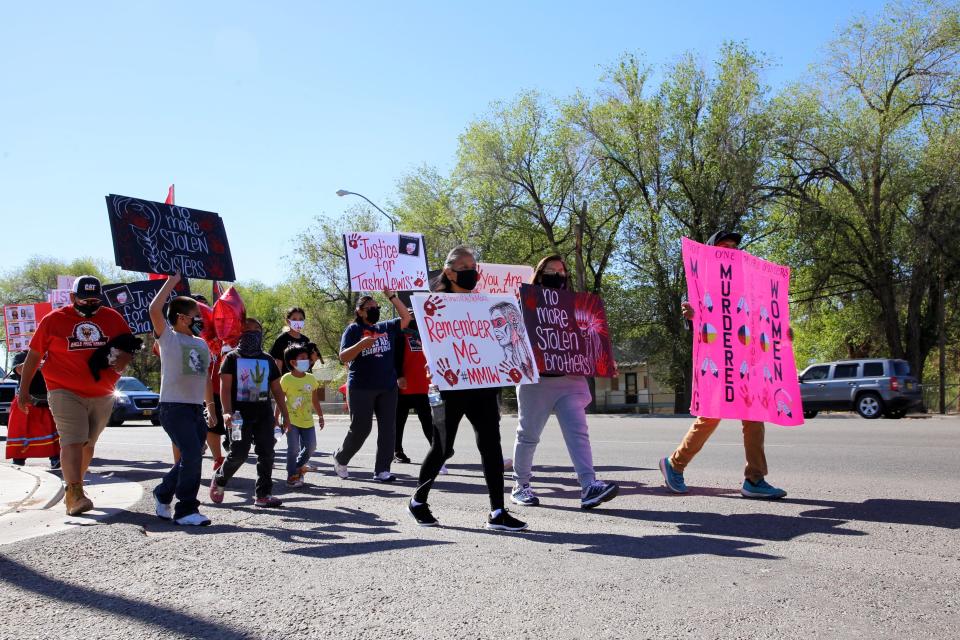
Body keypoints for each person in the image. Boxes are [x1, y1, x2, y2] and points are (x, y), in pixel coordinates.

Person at [660, 230, 787, 499]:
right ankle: (675, 464)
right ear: (710, 252)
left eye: (734, 246)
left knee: (754, 418)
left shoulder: (748, 283)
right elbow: (696, 323)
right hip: (718, 363)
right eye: (724, 246)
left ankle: (755, 479)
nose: (731, 250)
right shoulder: (701, 283)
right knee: (710, 416)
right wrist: (691, 315)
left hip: (747, 362)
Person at [408, 246, 528, 532]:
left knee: (490, 445)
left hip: (483, 383)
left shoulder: (484, 304)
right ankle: (418, 501)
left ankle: (497, 511)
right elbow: (429, 341)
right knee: (443, 446)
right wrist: (431, 362)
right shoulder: (433, 304)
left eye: (474, 267)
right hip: (450, 384)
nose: (472, 272)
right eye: (465, 267)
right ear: (449, 272)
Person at [17, 275, 137, 515]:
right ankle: (75, 492)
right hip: (64, 390)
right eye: (85, 299)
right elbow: (34, 356)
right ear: (72, 298)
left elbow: (129, 345)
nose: (90, 304)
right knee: (73, 439)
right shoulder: (54, 320)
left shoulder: (112, 318)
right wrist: (24, 389)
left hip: (102, 392)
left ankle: (75, 487)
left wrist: (125, 357)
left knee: (88, 444)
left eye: (95, 300)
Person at [510, 255, 619, 509]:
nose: (558, 275)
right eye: (552, 270)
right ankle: (521, 485)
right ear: (540, 273)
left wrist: (601, 358)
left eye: (562, 271)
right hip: (536, 382)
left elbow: (591, 338)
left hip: (570, 380)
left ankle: (589, 485)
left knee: (578, 433)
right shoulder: (523, 303)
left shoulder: (576, 305)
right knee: (528, 435)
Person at [148, 273, 212, 526]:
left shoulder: (202, 343)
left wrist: (211, 407)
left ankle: (163, 493)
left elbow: (204, 377)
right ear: (182, 317)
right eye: (196, 315)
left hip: (196, 408)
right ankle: (186, 510)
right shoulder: (168, 338)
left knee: (192, 455)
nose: (200, 319)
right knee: (192, 455)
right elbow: (155, 308)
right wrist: (172, 281)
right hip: (173, 407)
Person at [210, 317, 290, 507]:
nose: (252, 332)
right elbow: (225, 388)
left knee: (267, 453)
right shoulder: (231, 358)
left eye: (256, 329)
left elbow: (277, 390)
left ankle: (263, 495)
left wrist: (285, 415)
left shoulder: (267, 359)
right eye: (247, 328)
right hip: (238, 416)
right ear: (239, 332)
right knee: (239, 453)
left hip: (263, 414)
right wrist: (227, 412)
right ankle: (220, 479)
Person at [334, 288, 411, 482]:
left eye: (377, 306)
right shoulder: (353, 330)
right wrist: (360, 345)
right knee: (361, 428)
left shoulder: (386, 327)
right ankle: (341, 457)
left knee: (388, 429)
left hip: (387, 386)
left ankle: (382, 470)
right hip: (361, 386)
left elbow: (406, 317)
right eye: (370, 307)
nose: (375, 309)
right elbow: (343, 356)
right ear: (360, 311)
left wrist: (391, 296)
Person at [392, 315, 435, 466]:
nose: (413, 319)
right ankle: (397, 451)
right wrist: (399, 375)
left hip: (422, 386)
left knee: (427, 420)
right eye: (410, 316)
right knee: (399, 421)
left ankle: (438, 449)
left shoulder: (425, 335)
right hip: (403, 386)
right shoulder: (400, 335)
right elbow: (395, 357)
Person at [6, 351, 60, 469]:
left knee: (53, 431)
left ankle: (56, 459)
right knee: (21, 432)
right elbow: (18, 370)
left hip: (49, 399)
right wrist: (32, 363)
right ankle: (18, 461)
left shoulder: (53, 354)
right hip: (26, 400)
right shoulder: (21, 355)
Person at [281, 345, 325, 488]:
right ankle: (291, 475)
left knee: (311, 446)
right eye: (303, 359)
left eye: (307, 358)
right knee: (293, 448)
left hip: (307, 420)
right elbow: (280, 400)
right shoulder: (286, 379)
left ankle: (298, 467)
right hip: (291, 420)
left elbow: (314, 399)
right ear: (293, 362)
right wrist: (277, 419)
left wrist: (320, 416)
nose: (307, 361)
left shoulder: (311, 379)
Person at [269, 307, 311, 373]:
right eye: (294, 319)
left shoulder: (306, 340)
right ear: (288, 321)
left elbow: (309, 363)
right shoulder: (282, 339)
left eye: (301, 319)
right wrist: (279, 381)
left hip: (303, 380)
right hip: (287, 380)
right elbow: (278, 363)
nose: (298, 322)